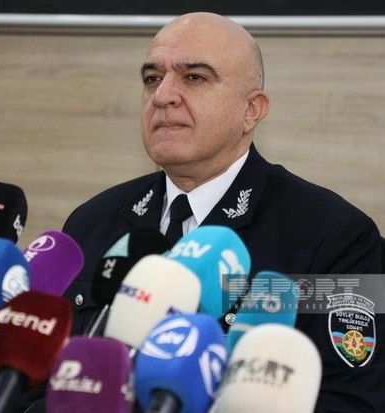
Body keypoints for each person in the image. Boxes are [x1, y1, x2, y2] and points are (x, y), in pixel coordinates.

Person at [61, 12, 384, 413]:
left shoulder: (337, 237)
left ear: (252, 110)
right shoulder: (91, 222)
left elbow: (354, 400)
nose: (163, 95)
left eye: (194, 77)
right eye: (152, 78)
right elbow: (42, 385)